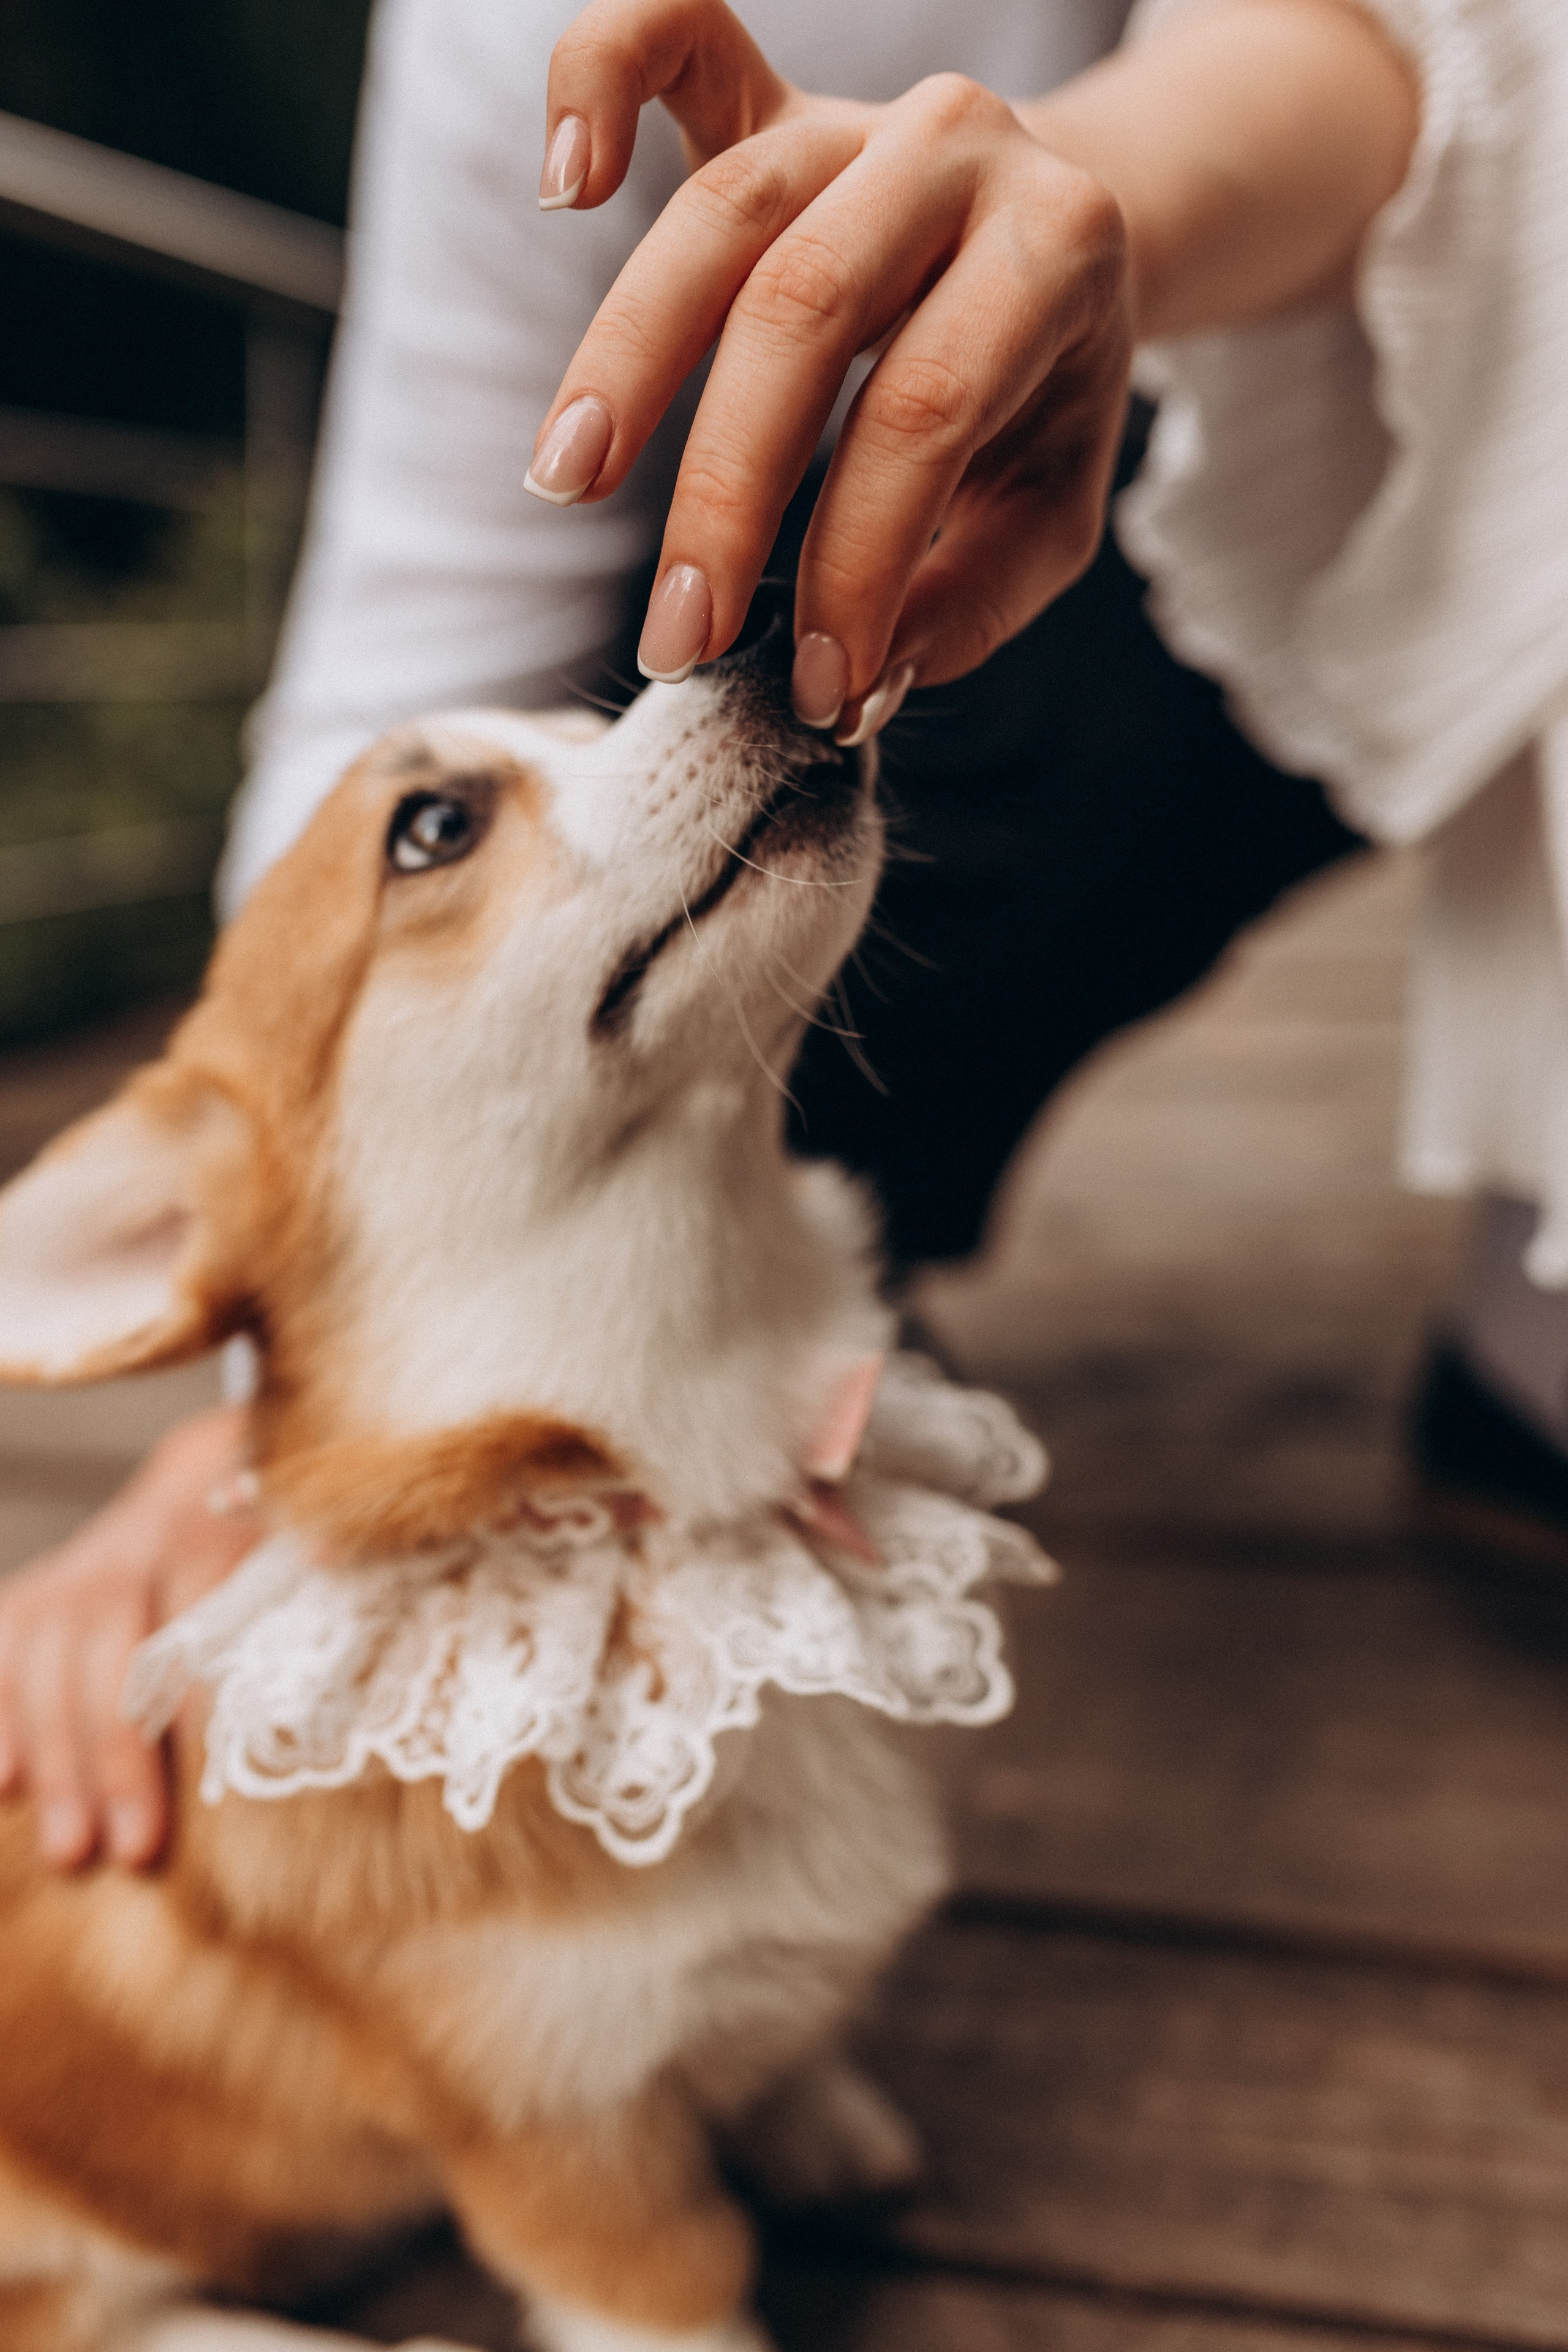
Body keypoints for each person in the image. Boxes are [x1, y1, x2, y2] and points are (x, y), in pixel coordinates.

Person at [3, 0, 1566, 1873]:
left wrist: (1095, 218)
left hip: (1307, 439)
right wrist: (292, 1381)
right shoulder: (514, 31)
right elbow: (418, 635)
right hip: (967, 590)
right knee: (823, 636)